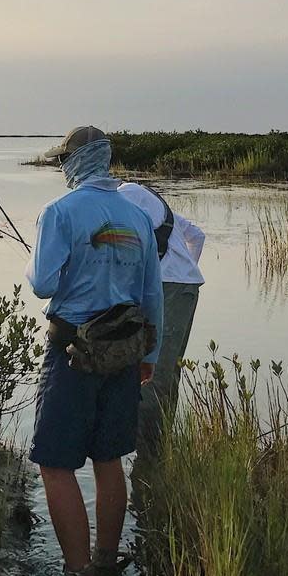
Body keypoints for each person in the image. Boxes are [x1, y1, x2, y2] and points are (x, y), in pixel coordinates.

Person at [26, 125, 164, 576]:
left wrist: (37, 255)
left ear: (71, 161)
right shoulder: (138, 216)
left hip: (72, 352)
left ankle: (79, 574)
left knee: (54, 463)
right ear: (105, 158)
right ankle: (106, 561)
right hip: (125, 354)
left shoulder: (59, 212)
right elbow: (152, 293)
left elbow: (43, 284)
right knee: (109, 458)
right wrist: (152, 355)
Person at [117, 181, 204, 449]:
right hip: (183, 288)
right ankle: (159, 446)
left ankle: (148, 454)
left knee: (153, 376)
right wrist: (184, 272)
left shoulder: (123, 195)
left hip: (168, 287)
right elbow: (197, 235)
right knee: (166, 372)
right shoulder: (144, 196)